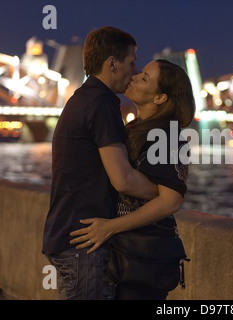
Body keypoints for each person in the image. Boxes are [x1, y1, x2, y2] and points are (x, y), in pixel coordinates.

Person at [42, 26, 158, 300]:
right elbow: (123, 179)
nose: (135, 69)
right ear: (112, 63)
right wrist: (165, 193)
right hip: (84, 242)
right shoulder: (101, 102)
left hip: (69, 234)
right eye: (132, 62)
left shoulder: (81, 98)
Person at [69, 59, 196, 300]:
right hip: (123, 254)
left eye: (145, 78)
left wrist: (108, 228)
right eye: (140, 72)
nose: (135, 76)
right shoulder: (134, 129)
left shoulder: (167, 136)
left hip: (144, 260)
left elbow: (171, 201)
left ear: (160, 98)